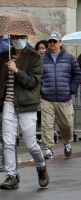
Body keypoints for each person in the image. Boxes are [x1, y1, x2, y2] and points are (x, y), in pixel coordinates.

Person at [0, 34, 49, 189]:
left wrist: (16, 70)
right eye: (14, 36)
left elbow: (33, 82)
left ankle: (41, 167)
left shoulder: (34, 57)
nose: (17, 39)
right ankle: (11, 176)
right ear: (10, 37)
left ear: (26, 37)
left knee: (30, 143)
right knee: (8, 142)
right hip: (8, 103)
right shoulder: (3, 56)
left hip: (27, 104)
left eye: (20, 36)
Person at [41, 31, 81, 159]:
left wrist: (72, 89)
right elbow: (37, 75)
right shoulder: (42, 59)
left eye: (55, 41)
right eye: (50, 42)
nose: (52, 44)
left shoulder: (69, 58)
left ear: (60, 43)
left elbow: (77, 74)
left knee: (66, 124)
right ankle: (48, 147)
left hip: (64, 97)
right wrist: (41, 89)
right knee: (46, 124)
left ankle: (67, 142)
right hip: (47, 97)